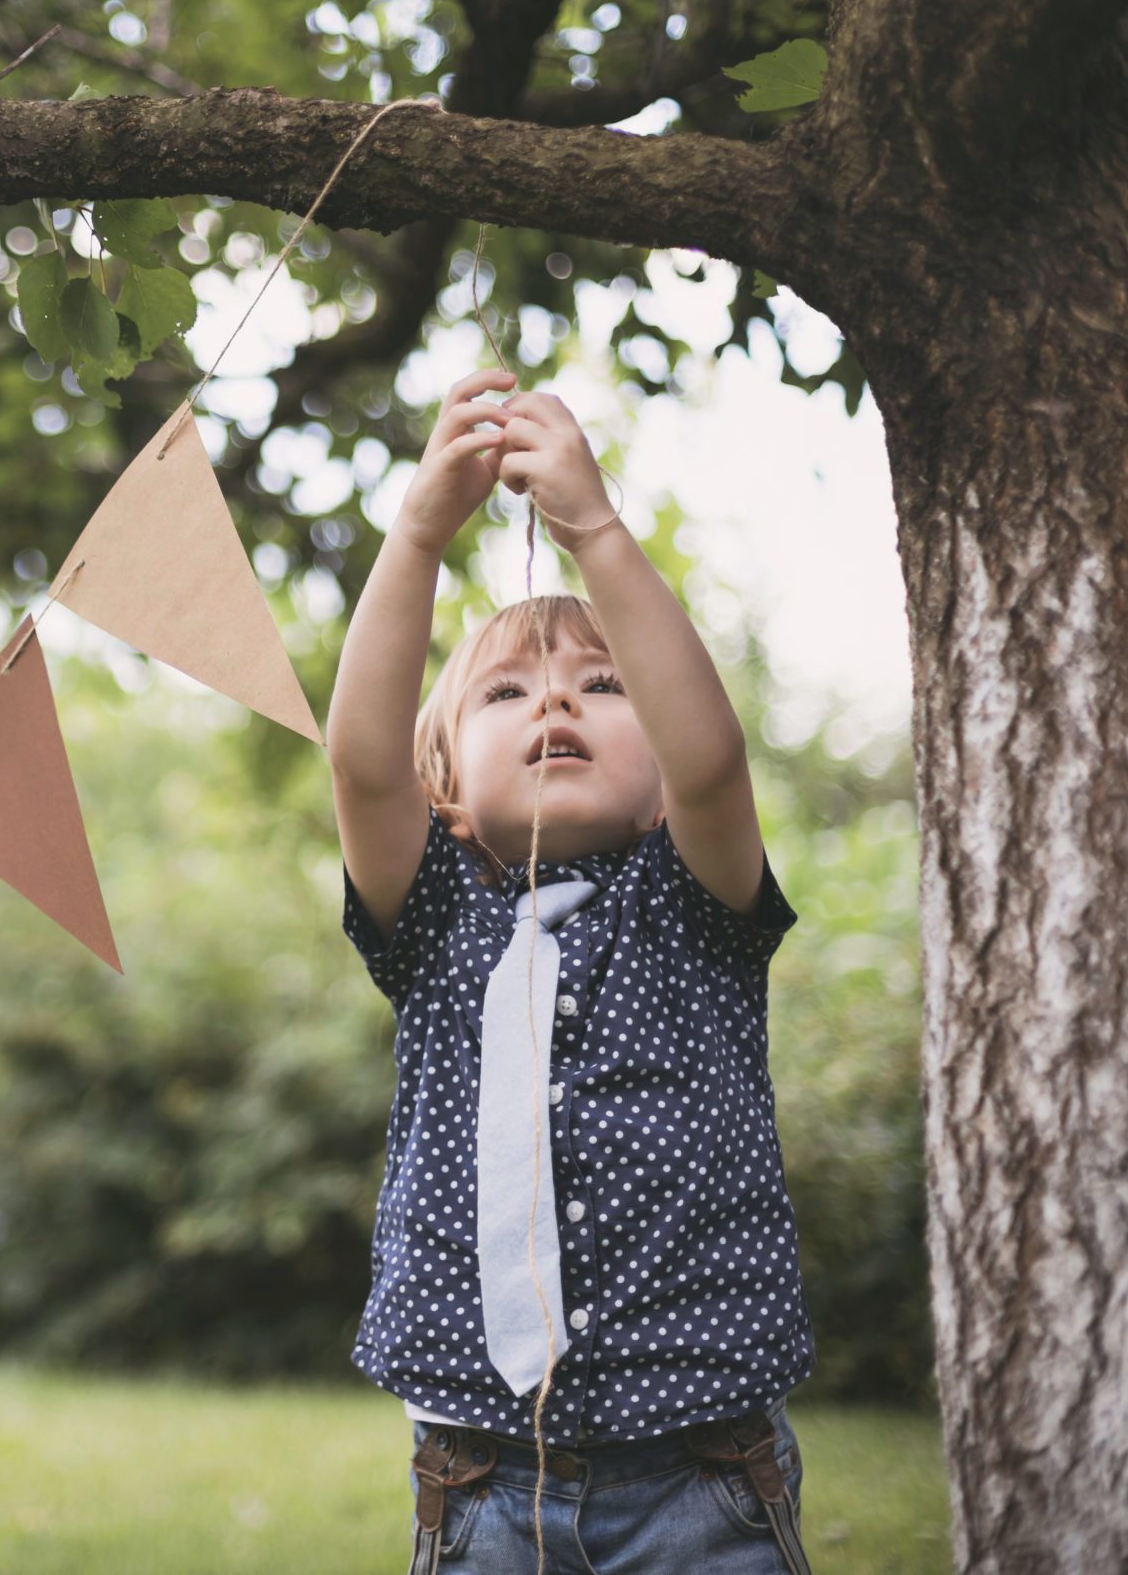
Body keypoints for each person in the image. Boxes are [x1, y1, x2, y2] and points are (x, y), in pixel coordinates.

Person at [326, 367, 815, 1575]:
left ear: (654, 786)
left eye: (603, 688)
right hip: (480, 1480)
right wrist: (419, 532)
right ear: (446, 794)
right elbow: (361, 761)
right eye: (506, 693)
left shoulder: (695, 907)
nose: (557, 700)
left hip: (705, 1481)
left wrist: (592, 529)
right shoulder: (436, 923)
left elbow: (709, 762)